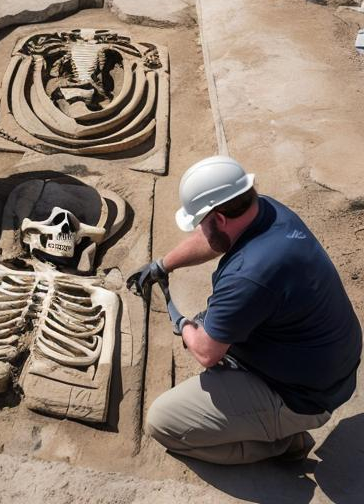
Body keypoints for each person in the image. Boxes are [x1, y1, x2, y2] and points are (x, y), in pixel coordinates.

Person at [128, 155, 362, 464]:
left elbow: (206, 352)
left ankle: (282, 443)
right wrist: (162, 265)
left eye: (201, 220)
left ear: (221, 218)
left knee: (163, 422)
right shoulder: (265, 209)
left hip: (303, 396)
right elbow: (213, 238)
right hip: (327, 363)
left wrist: (183, 323)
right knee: (220, 329)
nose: (200, 229)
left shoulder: (249, 276)